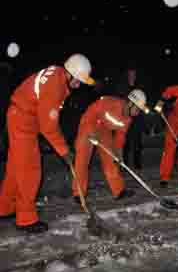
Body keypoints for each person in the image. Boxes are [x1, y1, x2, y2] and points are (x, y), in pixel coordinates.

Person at [0, 54, 94, 233]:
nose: (79, 84)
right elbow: (49, 126)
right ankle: (26, 219)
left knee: (15, 167)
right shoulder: (55, 86)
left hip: (20, 116)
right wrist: (64, 150)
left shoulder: (57, 75)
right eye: (79, 79)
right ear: (70, 73)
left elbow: (46, 117)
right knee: (30, 170)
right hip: (23, 121)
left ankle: (4, 207)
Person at [72, 89, 149, 203]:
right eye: (137, 109)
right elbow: (91, 111)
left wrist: (118, 154)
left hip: (104, 130)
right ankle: (79, 193)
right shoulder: (111, 103)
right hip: (89, 125)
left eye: (139, 110)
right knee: (82, 160)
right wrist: (89, 130)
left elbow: (120, 137)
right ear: (130, 103)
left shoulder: (128, 119)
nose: (137, 113)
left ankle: (119, 191)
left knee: (111, 160)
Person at [114, 68, 145, 171]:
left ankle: (137, 163)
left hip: (137, 117)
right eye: (131, 74)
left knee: (137, 141)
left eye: (134, 74)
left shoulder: (139, 86)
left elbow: (143, 99)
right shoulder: (122, 86)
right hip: (126, 116)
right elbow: (119, 99)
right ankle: (125, 163)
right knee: (125, 140)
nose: (132, 76)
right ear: (127, 75)